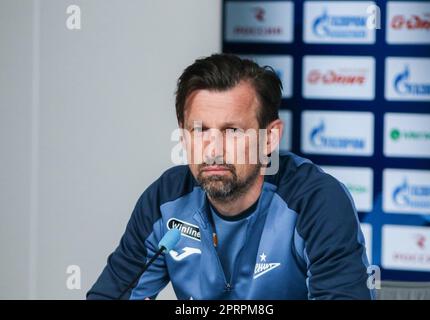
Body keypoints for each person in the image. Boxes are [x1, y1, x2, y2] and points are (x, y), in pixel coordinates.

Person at [87, 53, 374, 300]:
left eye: (232, 132)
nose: (213, 149)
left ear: (270, 137)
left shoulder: (315, 201)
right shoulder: (165, 199)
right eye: (200, 131)